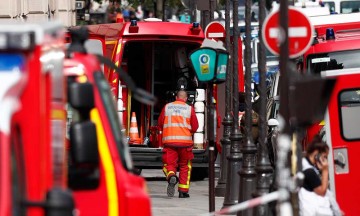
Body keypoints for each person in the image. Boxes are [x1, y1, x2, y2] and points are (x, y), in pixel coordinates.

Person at [158, 90, 199, 198]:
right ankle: (183, 191)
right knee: (185, 166)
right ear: (185, 99)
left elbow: (160, 123)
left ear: (176, 97)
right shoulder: (189, 109)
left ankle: (171, 175)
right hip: (185, 143)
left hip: (170, 142)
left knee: (168, 164)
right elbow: (195, 127)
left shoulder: (167, 107)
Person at [299, 135, 342, 216]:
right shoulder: (309, 171)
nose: (325, 159)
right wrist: (325, 170)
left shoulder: (305, 164)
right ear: (316, 153)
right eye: (324, 156)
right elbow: (322, 192)